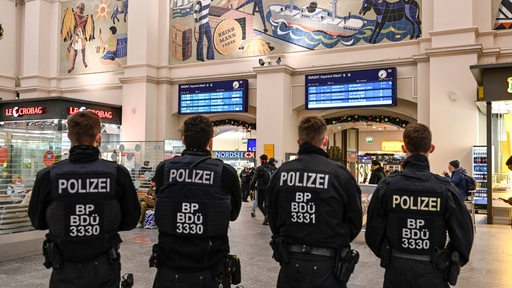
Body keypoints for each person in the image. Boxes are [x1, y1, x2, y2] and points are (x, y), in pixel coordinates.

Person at [28, 111, 140, 288]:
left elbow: (37, 222)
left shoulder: (48, 176)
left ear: (69, 136)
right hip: (105, 267)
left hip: (64, 268)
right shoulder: (117, 174)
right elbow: (131, 220)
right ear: (98, 137)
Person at [365, 123, 474, 288]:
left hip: (397, 270)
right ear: (432, 148)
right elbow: (464, 235)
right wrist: (446, 259)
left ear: (403, 148)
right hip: (432, 271)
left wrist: (388, 255)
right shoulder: (444, 189)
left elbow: (372, 230)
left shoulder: (387, 186)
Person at [266, 115, 363, 288]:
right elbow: (355, 219)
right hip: (328, 266)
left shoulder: (281, 173)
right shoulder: (340, 174)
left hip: (290, 263)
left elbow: (272, 214)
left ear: (298, 141)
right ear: (325, 140)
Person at [151, 115, 242, 288]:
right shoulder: (226, 173)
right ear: (211, 142)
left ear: (183, 139)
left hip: (169, 268)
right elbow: (233, 214)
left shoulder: (164, 169)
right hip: (210, 268)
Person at [250, 154, 277, 225]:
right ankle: (266, 220)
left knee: (259, 204)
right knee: (267, 204)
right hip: (270, 189)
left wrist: (251, 187)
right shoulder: (272, 168)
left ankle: (267, 216)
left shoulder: (259, 168)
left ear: (261, 160)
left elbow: (254, 179)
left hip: (262, 189)